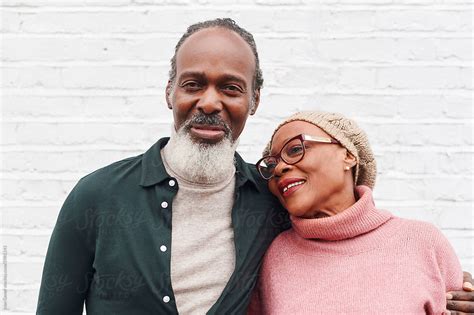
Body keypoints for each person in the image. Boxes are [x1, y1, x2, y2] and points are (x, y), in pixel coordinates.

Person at [36, 18, 473, 314]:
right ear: (169, 91)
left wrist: (452, 288)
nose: (209, 102)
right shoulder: (96, 197)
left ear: (253, 100)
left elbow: (352, 237)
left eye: (230, 87)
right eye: (193, 84)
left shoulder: (271, 203)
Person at [249, 111, 471, 314]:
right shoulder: (271, 255)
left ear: (348, 156)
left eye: (295, 149)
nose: (278, 169)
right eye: (271, 165)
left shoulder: (422, 241)